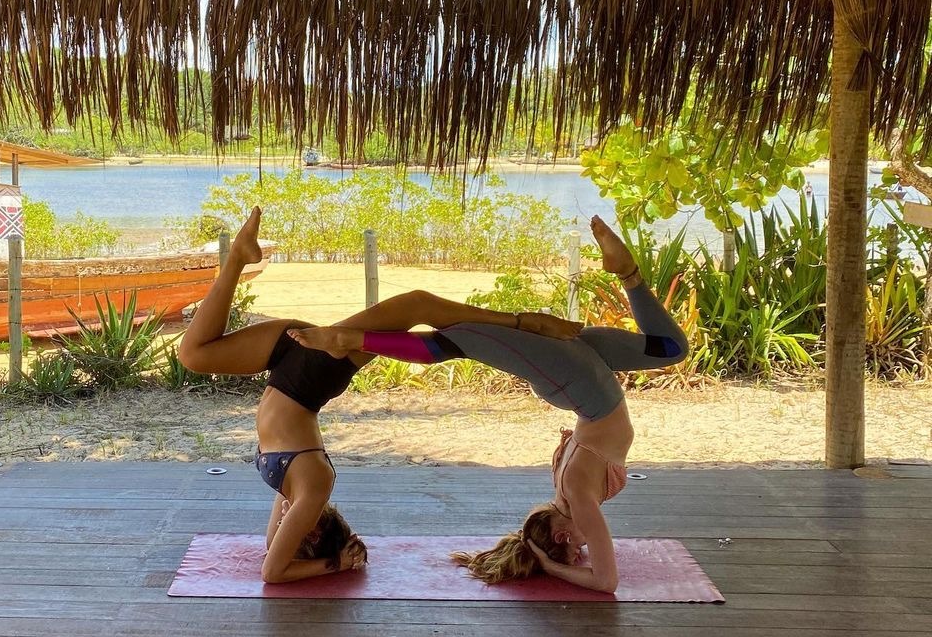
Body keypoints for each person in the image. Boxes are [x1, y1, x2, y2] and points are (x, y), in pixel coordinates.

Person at [178, 207, 581, 583]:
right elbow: (274, 570)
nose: (284, 522)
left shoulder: (294, 492)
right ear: (312, 533)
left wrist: (321, 557)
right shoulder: (314, 486)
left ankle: (238, 258)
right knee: (416, 307)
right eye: (293, 528)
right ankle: (522, 325)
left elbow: (273, 556)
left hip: (291, 368)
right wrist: (337, 564)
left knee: (193, 354)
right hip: (310, 375)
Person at [290, 216, 689, 593]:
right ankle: (627, 272)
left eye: (577, 549)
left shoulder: (577, 498)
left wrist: (548, 565)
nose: (584, 548)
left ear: (563, 536)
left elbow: (605, 581)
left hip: (580, 383)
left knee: (457, 338)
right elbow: (595, 567)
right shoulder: (570, 494)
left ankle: (351, 340)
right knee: (670, 348)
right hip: (583, 382)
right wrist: (539, 556)